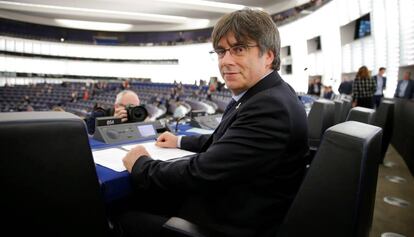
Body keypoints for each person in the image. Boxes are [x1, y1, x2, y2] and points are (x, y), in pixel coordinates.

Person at [118, 8, 309, 237]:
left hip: (228, 225)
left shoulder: (269, 107)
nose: (225, 61)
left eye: (238, 49)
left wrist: (142, 165)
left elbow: (200, 173)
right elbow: (228, 142)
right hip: (233, 206)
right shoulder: (266, 94)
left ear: (268, 55)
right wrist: (179, 140)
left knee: (123, 216)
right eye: (221, 52)